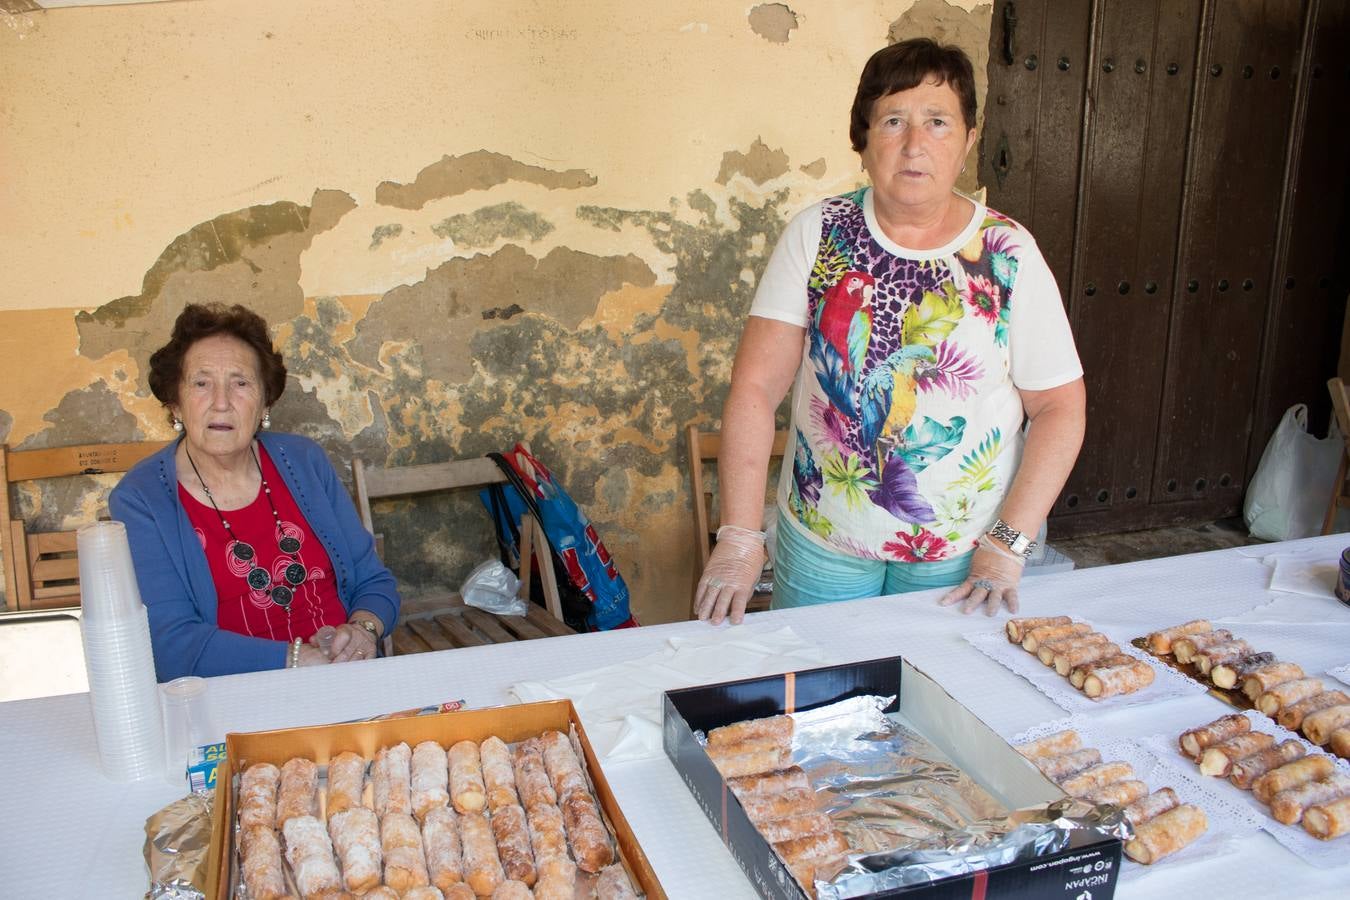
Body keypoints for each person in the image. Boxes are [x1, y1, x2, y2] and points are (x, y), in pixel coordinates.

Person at [695, 38, 1085, 625]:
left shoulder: (1008, 253)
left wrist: (1008, 546)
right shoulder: (819, 235)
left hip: (965, 554)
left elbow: (1058, 407)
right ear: (863, 140)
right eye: (893, 121)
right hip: (825, 534)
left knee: (950, 702)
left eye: (937, 122)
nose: (914, 145)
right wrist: (740, 536)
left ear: (969, 140)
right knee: (822, 692)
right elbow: (755, 389)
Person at [110, 303, 400, 680]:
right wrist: (297, 659)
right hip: (232, 699)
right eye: (201, 383)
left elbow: (373, 581)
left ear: (265, 401)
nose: (221, 402)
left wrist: (364, 630)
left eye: (241, 383)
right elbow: (171, 645)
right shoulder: (142, 498)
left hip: (345, 676)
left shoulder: (305, 462)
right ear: (175, 403)